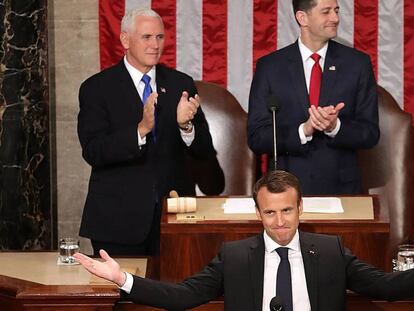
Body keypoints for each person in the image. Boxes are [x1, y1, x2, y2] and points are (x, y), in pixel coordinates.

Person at [74, 170, 414, 311]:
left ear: (300, 209)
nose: (279, 222)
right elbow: (183, 295)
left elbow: (385, 286)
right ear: (257, 213)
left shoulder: (330, 251)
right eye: (270, 213)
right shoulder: (235, 257)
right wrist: (122, 279)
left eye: (286, 211)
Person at [77, 7, 217, 256]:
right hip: (118, 222)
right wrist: (140, 130)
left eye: (160, 37)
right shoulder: (96, 88)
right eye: (146, 37)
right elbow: (93, 151)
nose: (155, 44)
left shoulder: (180, 84)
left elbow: (205, 150)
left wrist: (186, 126)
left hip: (173, 216)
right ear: (125, 39)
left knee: (175, 291)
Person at [247, 0, 380, 195]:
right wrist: (303, 130)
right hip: (286, 192)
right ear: (302, 18)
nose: (335, 18)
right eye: (326, 12)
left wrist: (335, 126)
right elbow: (257, 137)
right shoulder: (270, 67)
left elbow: (370, 133)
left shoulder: (357, 64)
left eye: (336, 11)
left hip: (342, 190)